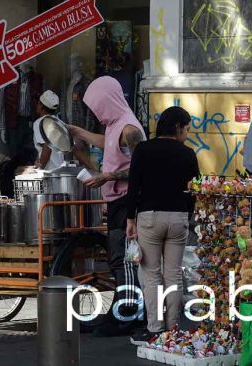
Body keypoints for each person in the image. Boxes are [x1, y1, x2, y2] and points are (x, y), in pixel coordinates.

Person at [67, 76, 147, 336]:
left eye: (98, 106)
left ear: (108, 101)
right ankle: (124, 310)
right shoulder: (115, 125)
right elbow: (106, 142)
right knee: (118, 259)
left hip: (127, 202)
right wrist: (79, 133)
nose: (97, 112)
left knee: (123, 259)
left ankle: (129, 315)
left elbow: (142, 168)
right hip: (116, 202)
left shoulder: (129, 129)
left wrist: (108, 177)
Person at [126, 106, 198, 344]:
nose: (187, 133)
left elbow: (133, 186)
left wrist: (130, 218)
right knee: (174, 274)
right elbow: (194, 191)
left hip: (150, 218)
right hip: (178, 219)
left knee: (152, 274)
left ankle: (155, 328)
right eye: (187, 128)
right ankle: (173, 327)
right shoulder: (188, 154)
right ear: (177, 127)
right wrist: (187, 216)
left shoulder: (143, 150)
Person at [32, 90, 65, 170]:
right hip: (59, 168)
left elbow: (47, 147)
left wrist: (39, 170)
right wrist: (37, 161)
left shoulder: (40, 122)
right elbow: (42, 148)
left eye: (38, 103)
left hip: (49, 171)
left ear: (40, 105)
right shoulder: (59, 122)